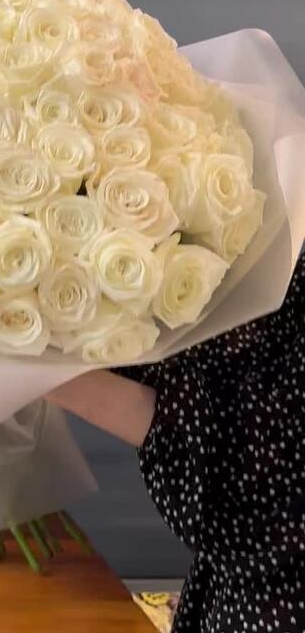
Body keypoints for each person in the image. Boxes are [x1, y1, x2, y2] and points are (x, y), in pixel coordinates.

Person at [44, 255, 305, 633]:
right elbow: (227, 368)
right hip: (231, 587)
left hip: (274, 600)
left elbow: (263, 496)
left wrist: (29, 373)